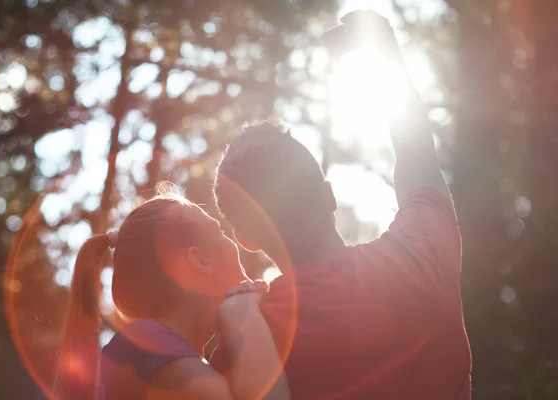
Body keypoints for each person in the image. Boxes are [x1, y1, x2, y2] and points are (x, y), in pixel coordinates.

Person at [211, 11, 471, 400]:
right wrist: (386, 52)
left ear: (246, 238)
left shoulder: (250, 340)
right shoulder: (422, 253)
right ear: (329, 196)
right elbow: (417, 150)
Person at [51, 192, 290, 400]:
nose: (235, 243)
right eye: (219, 231)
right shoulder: (149, 346)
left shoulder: (160, 351)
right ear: (198, 260)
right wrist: (242, 312)